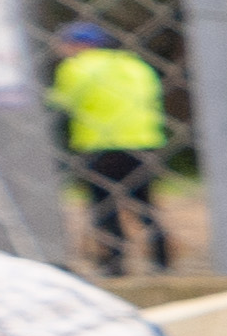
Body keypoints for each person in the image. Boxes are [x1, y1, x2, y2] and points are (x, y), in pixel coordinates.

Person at [46, 24, 167, 278]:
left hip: (99, 145)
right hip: (144, 141)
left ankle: (115, 263)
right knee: (144, 205)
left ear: (80, 45)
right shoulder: (135, 65)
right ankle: (162, 259)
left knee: (104, 207)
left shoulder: (76, 67)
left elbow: (62, 103)